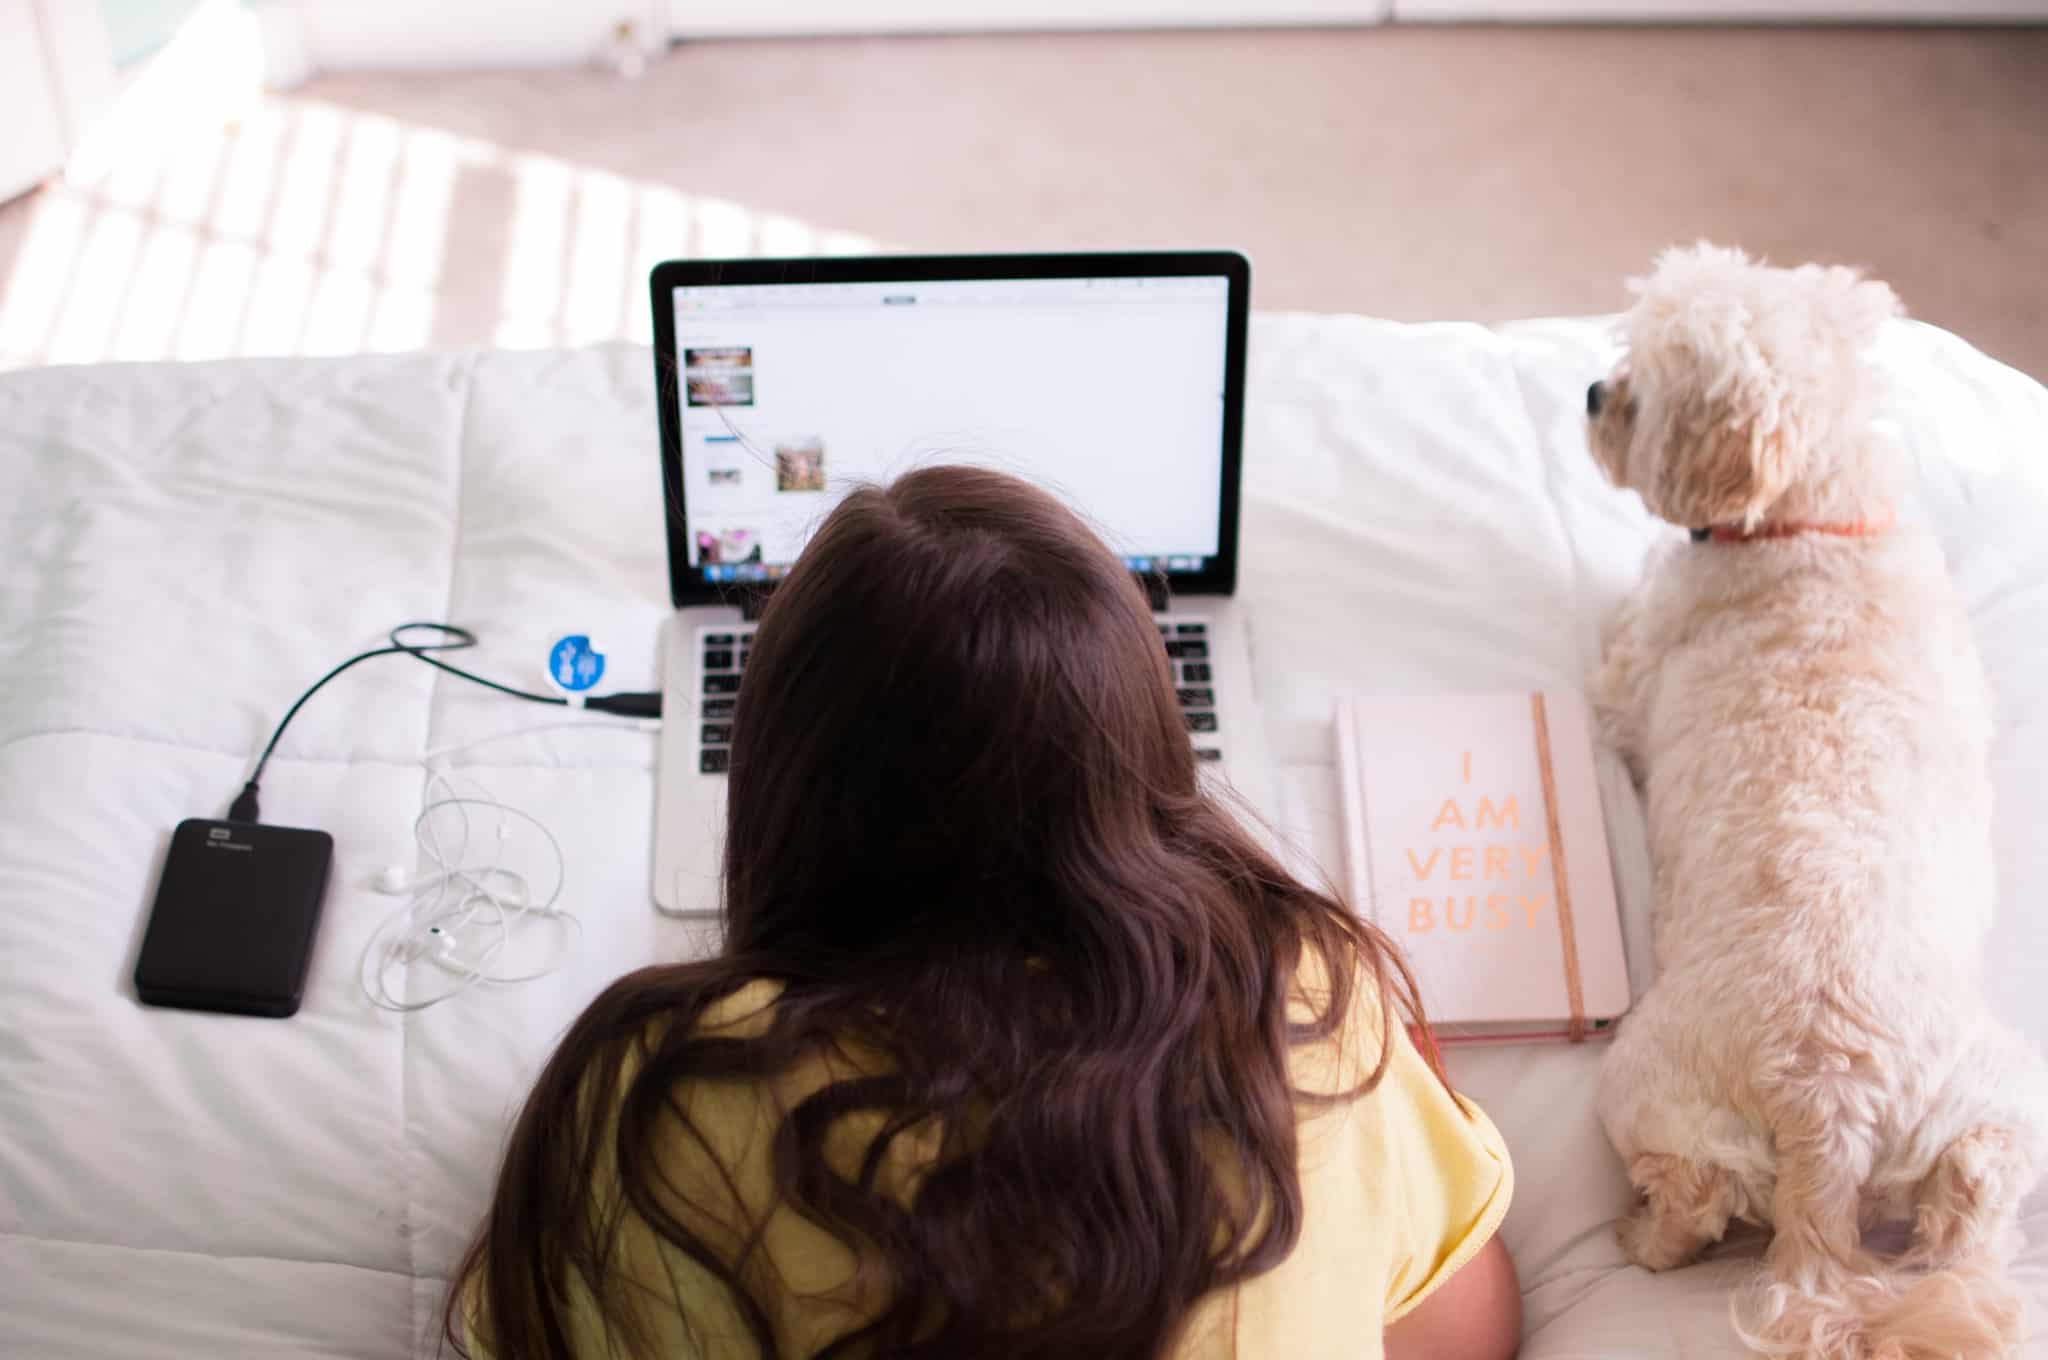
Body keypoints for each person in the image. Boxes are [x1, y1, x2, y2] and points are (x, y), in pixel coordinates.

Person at [448, 465, 1519, 1359]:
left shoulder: (661, 1092)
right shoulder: (1300, 1003)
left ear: (787, 783)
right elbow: (1464, 1336)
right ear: (1144, 754)